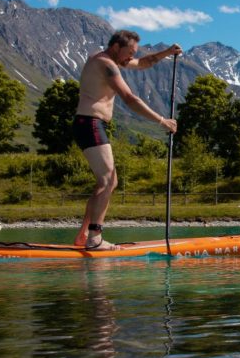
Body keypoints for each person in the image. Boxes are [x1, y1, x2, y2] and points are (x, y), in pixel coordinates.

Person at [73, 30, 181, 250]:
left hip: (89, 124)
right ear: (115, 48)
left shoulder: (113, 60)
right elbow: (130, 98)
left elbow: (143, 63)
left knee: (102, 183)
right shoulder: (107, 64)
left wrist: (168, 52)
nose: (130, 58)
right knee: (109, 181)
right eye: (129, 52)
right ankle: (95, 238)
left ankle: (83, 235)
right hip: (90, 123)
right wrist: (162, 121)